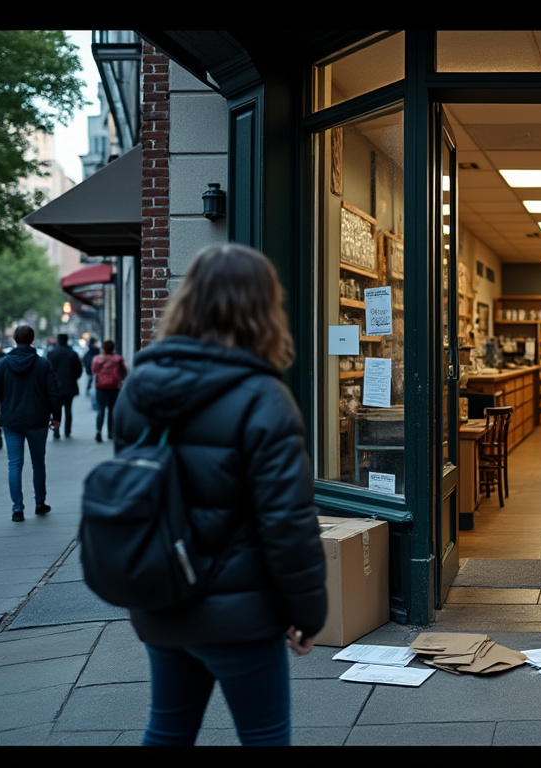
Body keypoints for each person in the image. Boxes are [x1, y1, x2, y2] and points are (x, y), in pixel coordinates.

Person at [113, 244, 326, 746]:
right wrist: (307, 612)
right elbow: (288, 524)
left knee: (166, 729)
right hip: (240, 611)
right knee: (265, 736)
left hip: (162, 594)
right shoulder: (263, 397)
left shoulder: (140, 387)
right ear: (263, 309)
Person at [0, 325, 60, 523]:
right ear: (32, 339)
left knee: (14, 464)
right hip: (37, 419)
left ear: (15, 340)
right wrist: (56, 416)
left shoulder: (2, 364)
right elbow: (53, 392)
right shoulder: (42, 364)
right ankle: (40, 502)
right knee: (38, 462)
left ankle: (17, 509)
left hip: (11, 420)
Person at [46, 333, 84, 438]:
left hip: (54, 386)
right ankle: (67, 430)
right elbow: (78, 370)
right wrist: (73, 378)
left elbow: (47, 370)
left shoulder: (52, 353)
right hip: (69, 385)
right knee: (68, 409)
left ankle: (55, 431)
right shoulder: (72, 353)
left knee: (55, 409)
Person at [91, 340, 125, 442]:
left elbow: (94, 371)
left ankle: (98, 431)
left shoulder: (97, 359)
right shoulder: (118, 359)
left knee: (101, 409)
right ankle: (110, 433)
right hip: (114, 387)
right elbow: (124, 372)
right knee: (111, 409)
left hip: (100, 386)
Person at [82, 337, 100, 410]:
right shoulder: (96, 351)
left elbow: (85, 359)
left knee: (91, 383)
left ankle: (88, 391)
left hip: (90, 370)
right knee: (93, 384)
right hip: (94, 370)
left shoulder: (88, 351)